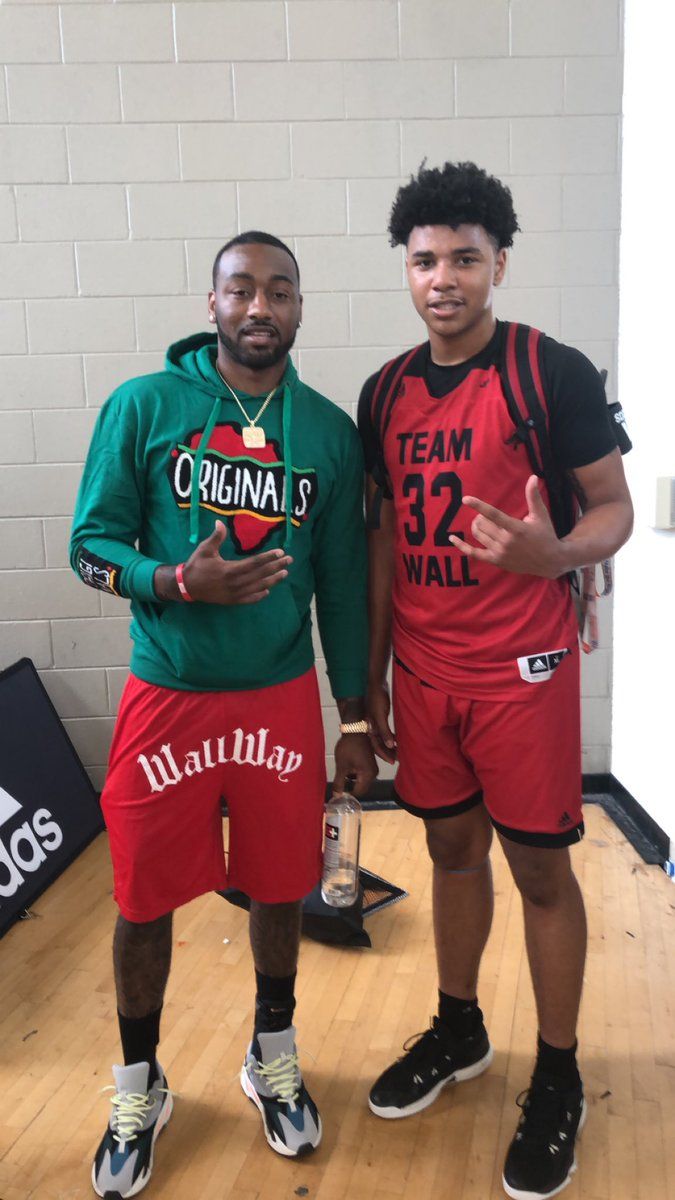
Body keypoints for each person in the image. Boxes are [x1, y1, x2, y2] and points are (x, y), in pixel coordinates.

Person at [70, 231, 376, 1198]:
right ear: (211, 304)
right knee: (141, 897)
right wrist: (171, 580)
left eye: (278, 291)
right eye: (241, 289)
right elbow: (88, 546)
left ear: (298, 308)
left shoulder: (325, 432)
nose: (259, 307)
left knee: (282, 886)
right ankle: (138, 1084)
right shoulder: (145, 407)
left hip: (279, 699)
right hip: (168, 695)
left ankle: (270, 1054)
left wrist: (356, 719)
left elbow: (338, 584)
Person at [358, 163, 633, 1200]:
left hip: (524, 673)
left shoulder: (549, 372)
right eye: (425, 260)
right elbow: (383, 540)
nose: (443, 278)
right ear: (408, 270)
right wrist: (371, 679)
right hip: (425, 676)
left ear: (499, 263)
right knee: (449, 852)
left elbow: (614, 511)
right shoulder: (382, 390)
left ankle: (556, 1071)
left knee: (543, 875)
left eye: (465, 258)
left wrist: (553, 554)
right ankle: (460, 1028)